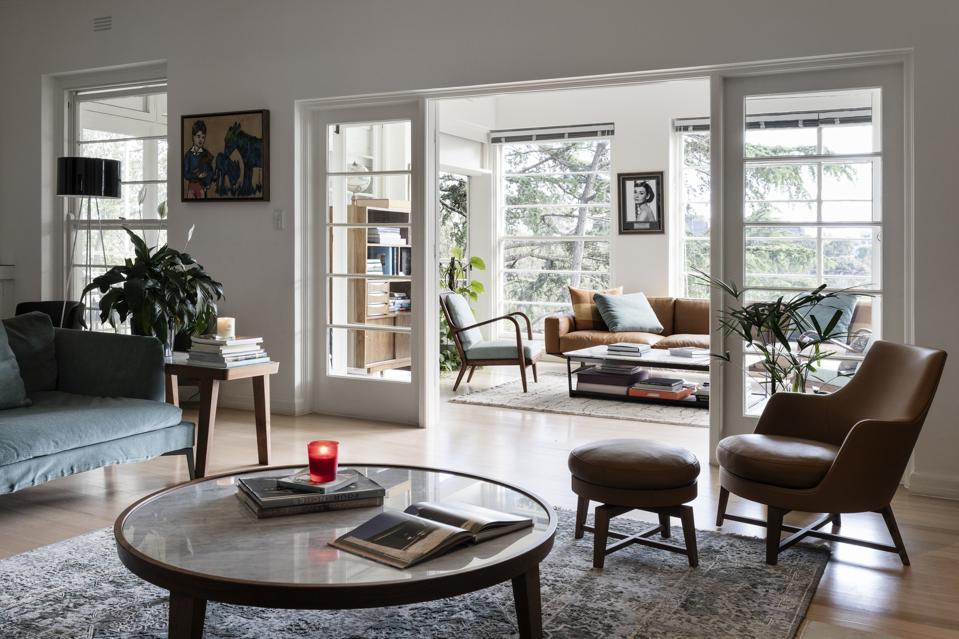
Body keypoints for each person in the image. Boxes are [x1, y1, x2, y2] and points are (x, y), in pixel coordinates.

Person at [183, 120, 215, 199]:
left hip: (202, 187)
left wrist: (207, 183)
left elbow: (210, 171)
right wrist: (197, 175)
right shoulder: (188, 155)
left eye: (203, 137)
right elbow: (186, 173)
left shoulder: (207, 154)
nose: (201, 140)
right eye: (198, 136)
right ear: (193, 137)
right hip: (191, 187)